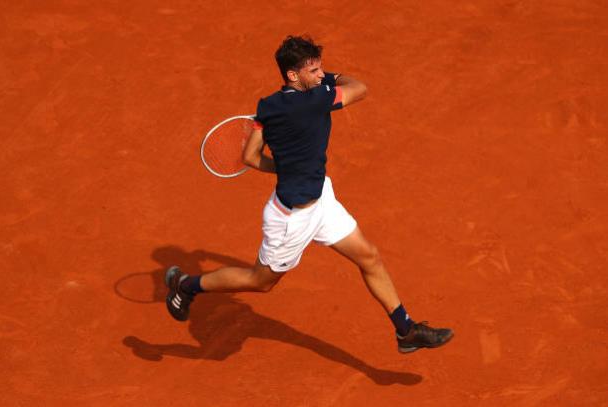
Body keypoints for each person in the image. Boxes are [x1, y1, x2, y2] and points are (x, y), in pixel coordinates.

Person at [165, 35, 453, 354]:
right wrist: (330, 79)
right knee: (260, 281)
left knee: (369, 256)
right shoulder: (318, 99)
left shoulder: (268, 107)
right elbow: (359, 87)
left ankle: (405, 331)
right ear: (293, 75)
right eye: (314, 70)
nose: (320, 75)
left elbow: (250, 157)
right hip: (292, 219)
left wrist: (287, 168)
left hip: (321, 200)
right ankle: (187, 285)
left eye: (321, 70)